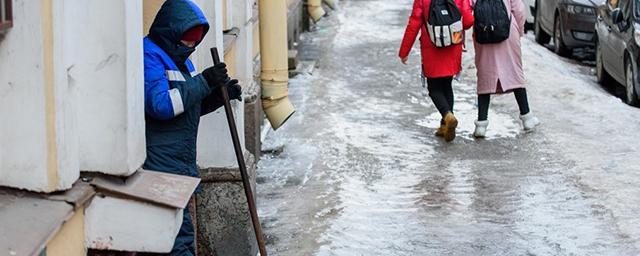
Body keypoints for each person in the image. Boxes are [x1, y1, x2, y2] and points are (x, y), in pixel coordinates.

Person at [142, 0, 242, 254]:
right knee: (176, 239)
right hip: (160, 163)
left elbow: (186, 107)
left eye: (195, 42)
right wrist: (204, 81)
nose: (191, 47)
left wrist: (217, 96)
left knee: (181, 235)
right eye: (188, 40)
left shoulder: (182, 61)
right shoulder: (149, 55)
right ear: (171, 32)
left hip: (180, 162)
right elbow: (161, 105)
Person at [399, 0, 474, 142]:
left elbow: (414, 24)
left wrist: (404, 51)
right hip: (453, 44)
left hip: (432, 46)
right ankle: (445, 124)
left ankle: (447, 116)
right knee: (447, 85)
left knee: (434, 88)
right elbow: (468, 21)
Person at [470, 0, 540, 138]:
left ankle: (481, 125)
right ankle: (527, 118)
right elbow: (519, 9)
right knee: (514, 74)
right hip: (507, 31)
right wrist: (518, 31)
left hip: (483, 32)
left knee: (485, 76)